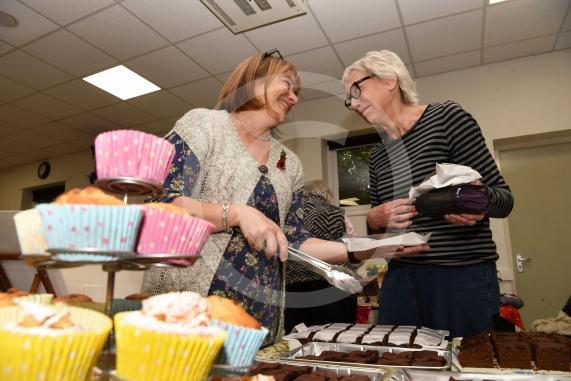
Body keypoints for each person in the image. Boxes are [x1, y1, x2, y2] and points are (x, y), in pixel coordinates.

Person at [141, 51, 425, 343]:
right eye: (287, 84)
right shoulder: (204, 125)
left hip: (261, 319)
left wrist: (360, 249)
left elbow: (296, 241)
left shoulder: (289, 162)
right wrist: (236, 213)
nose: (294, 97)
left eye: (296, 91)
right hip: (190, 313)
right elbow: (159, 205)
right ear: (254, 81)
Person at [342, 50, 514, 338]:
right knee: (398, 363)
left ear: (389, 80)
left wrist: (476, 203)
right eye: (349, 99)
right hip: (398, 279)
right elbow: (383, 231)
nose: (354, 103)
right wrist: (373, 218)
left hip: (460, 275)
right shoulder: (377, 155)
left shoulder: (446, 117)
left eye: (357, 90)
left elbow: (503, 199)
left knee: (463, 365)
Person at [284, 180, 358, 334]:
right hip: (331, 290)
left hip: (293, 293)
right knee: (336, 341)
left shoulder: (288, 215)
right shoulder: (336, 213)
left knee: (297, 342)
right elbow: (350, 255)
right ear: (326, 194)